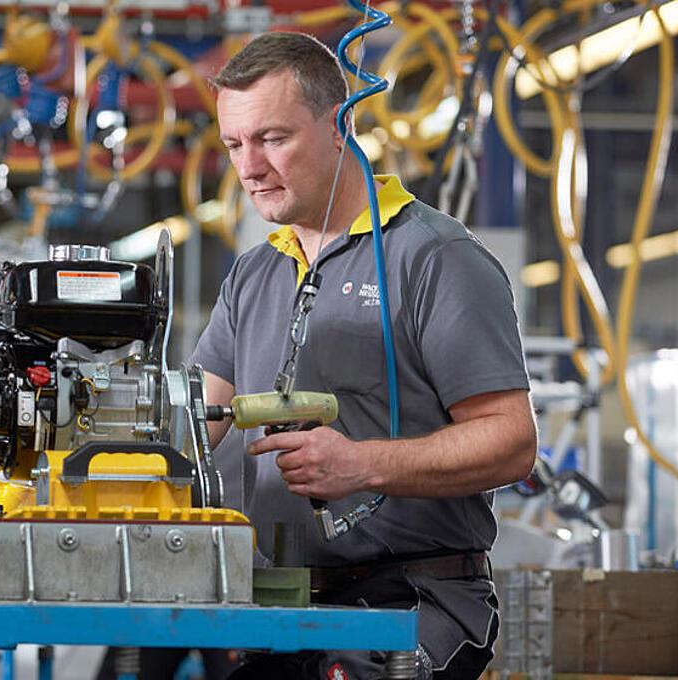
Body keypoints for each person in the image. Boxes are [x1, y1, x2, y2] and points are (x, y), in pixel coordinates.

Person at [193, 32, 539, 680]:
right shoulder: (255, 273)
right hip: (281, 606)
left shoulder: (434, 258)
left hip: (409, 605)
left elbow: (512, 442)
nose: (250, 168)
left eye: (272, 138)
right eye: (234, 144)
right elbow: (195, 422)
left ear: (340, 126)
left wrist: (361, 464)